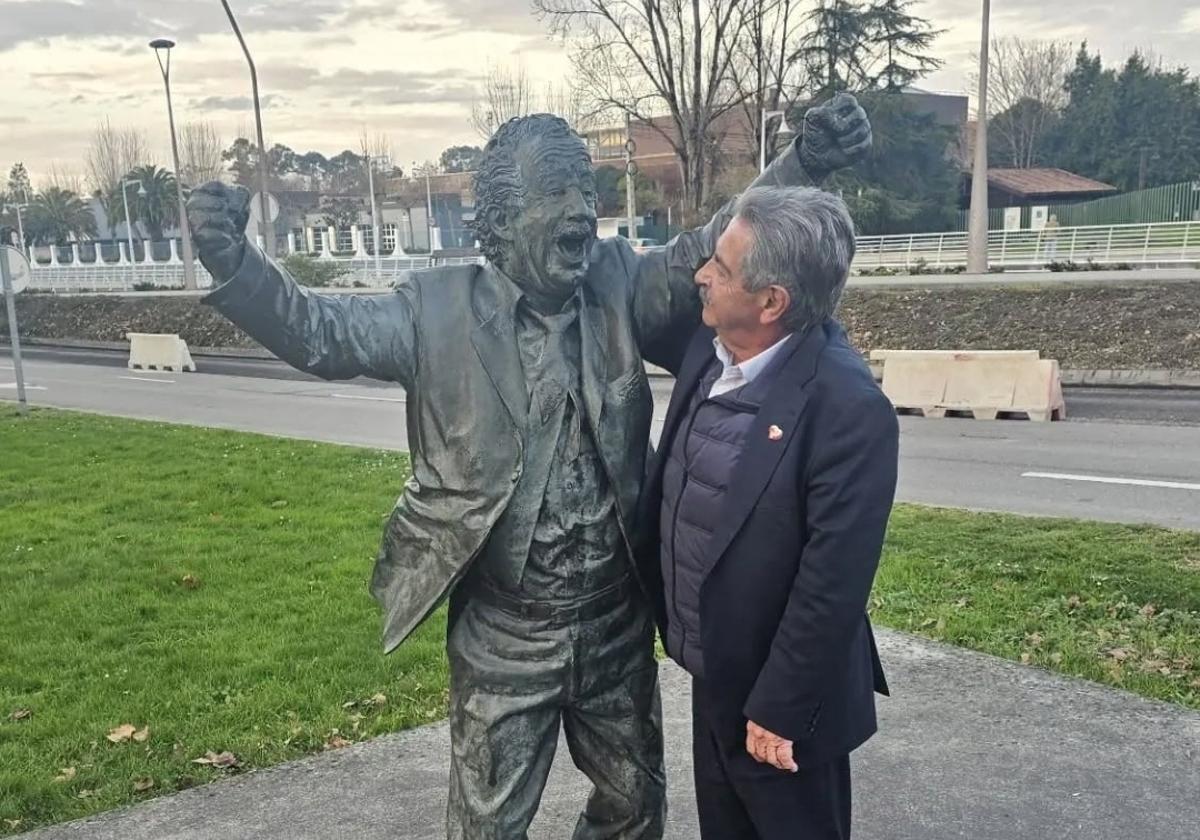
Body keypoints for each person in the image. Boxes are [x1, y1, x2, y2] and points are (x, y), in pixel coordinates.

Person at [186, 98, 872, 840]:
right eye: (557, 194)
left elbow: (715, 244)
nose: (583, 212)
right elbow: (319, 332)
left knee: (635, 808)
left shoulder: (616, 282)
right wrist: (235, 262)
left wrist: (805, 161)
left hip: (615, 620)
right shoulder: (432, 313)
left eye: (585, 191)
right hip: (504, 636)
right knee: (488, 825)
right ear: (505, 220)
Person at [635, 186, 899, 839]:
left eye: (720, 269)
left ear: (771, 301)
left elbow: (831, 585)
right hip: (714, 672)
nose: (702, 276)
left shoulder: (846, 408)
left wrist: (779, 709)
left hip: (783, 706)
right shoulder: (708, 348)